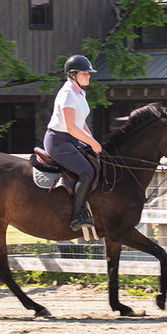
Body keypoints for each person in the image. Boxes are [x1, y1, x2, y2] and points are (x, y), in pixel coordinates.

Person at [45, 54, 103, 228]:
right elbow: (70, 127)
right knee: (87, 171)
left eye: (88, 73)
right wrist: (92, 143)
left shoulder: (79, 93)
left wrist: (92, 139)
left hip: (72, 138)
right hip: (58, 141)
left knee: (95, 162)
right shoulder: (68, 94)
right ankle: (77, 217)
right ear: (72, 75)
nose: (88, 76)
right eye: (85, 73)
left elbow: (81, 122)